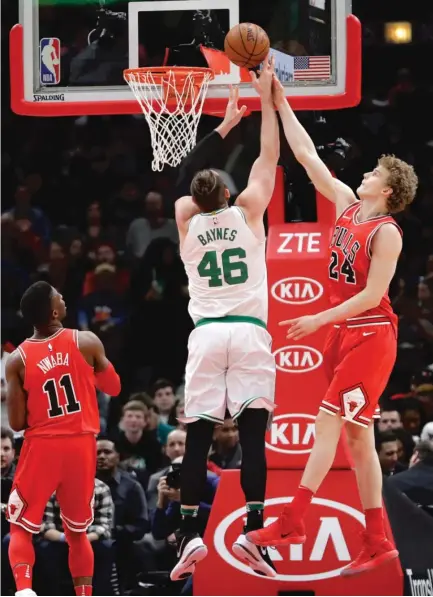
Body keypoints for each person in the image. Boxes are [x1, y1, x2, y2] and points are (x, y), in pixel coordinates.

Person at [247, 76, 419, 576]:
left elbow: (372, 295)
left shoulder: (387, 233)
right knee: (358, 442)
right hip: (343, 335)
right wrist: (279, 102)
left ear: (386, 189)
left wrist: (317, 317)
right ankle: (377, 539)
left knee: (327, 426)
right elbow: (307, 158)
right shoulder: (346, 206)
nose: (362, 173)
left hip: (370, 335)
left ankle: (291, 521)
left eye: (372, 172)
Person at [170, 57, 279, 581]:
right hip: (251, 332)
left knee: (198, 438)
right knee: (254, 438)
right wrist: (266, 103)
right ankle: (254, 532)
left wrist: (223, 125)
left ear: (196, 198)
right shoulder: (251, 209)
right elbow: (269, 156)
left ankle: (190, 535)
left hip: (206, 335)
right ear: (230, 195)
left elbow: (195, 175)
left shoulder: (185, 219)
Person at [5, 281, 121, 596]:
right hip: (81, 445)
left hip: (42, 444)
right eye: (60, 295)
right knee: (78, 532)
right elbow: (113, 388)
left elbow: (16, 421)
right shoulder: (86, 341)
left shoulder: (17, 360)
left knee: (19, 526)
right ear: (55, 311)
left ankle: (25, 589)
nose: (64, 297)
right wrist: (93, 370)